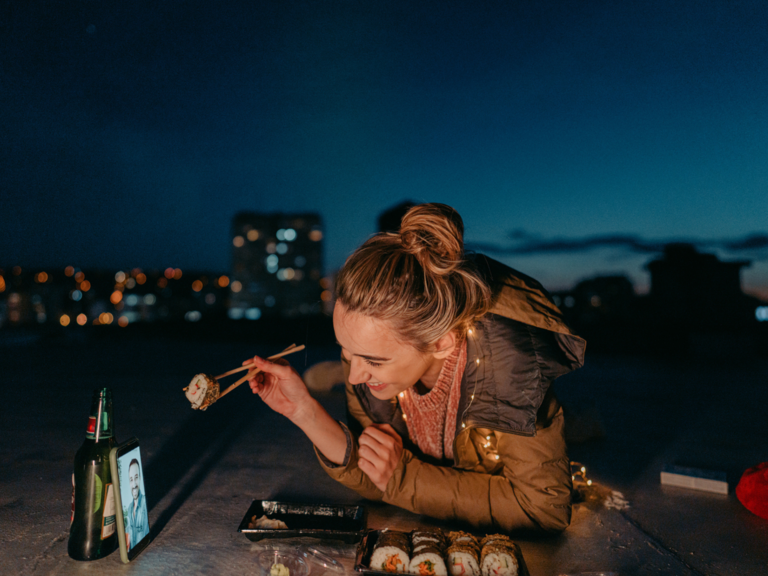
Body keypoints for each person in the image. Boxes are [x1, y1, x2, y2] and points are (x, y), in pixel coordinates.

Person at [245, 203, 585, 533]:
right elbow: (379, 480)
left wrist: (406, 478)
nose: (354, 376)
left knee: (579, 426)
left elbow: (543, 509)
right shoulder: (364, 365)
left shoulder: (508, 369)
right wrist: (304, 411)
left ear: (441, 343)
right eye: (347, 353)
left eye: (374, 360)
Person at [125, 458, 148, 549]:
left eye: (136, 478)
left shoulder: (144, 504)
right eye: (131, 479)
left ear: (140, 478)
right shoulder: (129, 508)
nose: (134, 484)